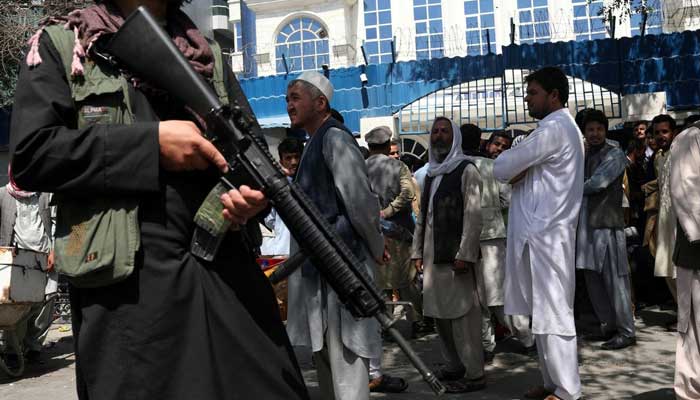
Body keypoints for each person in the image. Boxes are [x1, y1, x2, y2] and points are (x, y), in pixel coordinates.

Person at [10, 1, 309, 399]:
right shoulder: (66, 44)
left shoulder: (207, 55)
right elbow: (33, 154)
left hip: (223, 266)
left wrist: (251, 196)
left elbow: (251, 156)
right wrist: (150, 144)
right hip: (128, 289)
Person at [284, 71, 384, 400]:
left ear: (321, 102)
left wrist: (374, 248)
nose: (289, 105)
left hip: (343, 269)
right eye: (287, 99)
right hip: (320, 271)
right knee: (326, 358)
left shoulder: (335, 139)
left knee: (346, 361)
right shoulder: (312, 142)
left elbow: (361, 204)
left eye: (295, 97)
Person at [493, 67, 584, 400]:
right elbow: (508, 173)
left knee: (555, 312)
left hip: (549, 236)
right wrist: (521, 165)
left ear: (553, 95)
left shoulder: (554, 130)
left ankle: (568, 390)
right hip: (540, 236)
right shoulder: (550, 131)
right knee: (543, 314)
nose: (527, 99)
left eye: (532, 93)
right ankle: (551, 384)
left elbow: (501, 167)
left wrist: (519, 163)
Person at [411, 116, 485, 393]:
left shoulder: (467, 170)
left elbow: (473, 216)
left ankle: (475, 374)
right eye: (435, 131)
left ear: (455, 138)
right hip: (432, 260)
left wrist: (465, 253)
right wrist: (416, 252)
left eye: (444, 131)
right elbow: (422, 218)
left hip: (456, 259)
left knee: (463, 317)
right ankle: (454, 365)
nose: (439, 136)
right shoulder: (430, 173)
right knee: (440, 317)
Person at [461, 126, 534, 363]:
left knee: (477, 298)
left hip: (464, 241)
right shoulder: (489, 167)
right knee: (498, 296)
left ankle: (487, 345)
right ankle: (526, 338)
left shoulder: (451, 168)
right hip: (490, 237)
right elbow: (508, 199)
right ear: (482, 142)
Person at [575, 109, 636, 350]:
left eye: (599, 129)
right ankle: (608, 327)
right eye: (590, 129)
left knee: (615, 280)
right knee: (593, 279)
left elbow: (598, 183)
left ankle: (626, 331)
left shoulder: (615, 154)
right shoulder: (584, 152)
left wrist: (567, 189)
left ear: (605, 130)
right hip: (586, 226)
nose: (595, 134)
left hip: (607, 226)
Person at [364, 126, 414, 394]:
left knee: (379, 282)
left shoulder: (360, 167)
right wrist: (389, 211)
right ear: (387, 145)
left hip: (372, 233)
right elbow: (408, 194)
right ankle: (414, 321)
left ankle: (381, 325)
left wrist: (375, 215)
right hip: (399, 230)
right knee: (405, 278)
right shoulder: (399, 167)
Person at [0, 176, 55, 366]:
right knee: (16, 305)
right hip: (17, 260)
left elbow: (56, 222)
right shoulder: (3, 194)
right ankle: (12, 351)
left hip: (45, 258)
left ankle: (34, 347)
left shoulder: (46, 194)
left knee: (46, 301)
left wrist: (54, 250)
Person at [669, 120, 700, 400]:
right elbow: (685, 193)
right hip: (696, 253)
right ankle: (690, 393)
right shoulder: (690, 138)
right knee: (693, 330)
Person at [651, 115, 679, 303]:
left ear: (674, 133)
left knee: (683, 269)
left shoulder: (681, 154)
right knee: (667, 268)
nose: (661, 136)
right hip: (664, 219)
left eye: (665, 131)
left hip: (680, 220)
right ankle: (683, 314)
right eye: (657, 133)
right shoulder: (658, 158)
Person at [260, 137, 303, 256]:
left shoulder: (310, 184)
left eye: (296, 157)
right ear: (281, 162)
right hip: (283, 253)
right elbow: (270, 220)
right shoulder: (275, 189)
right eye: (288, 158)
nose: (293, 162)